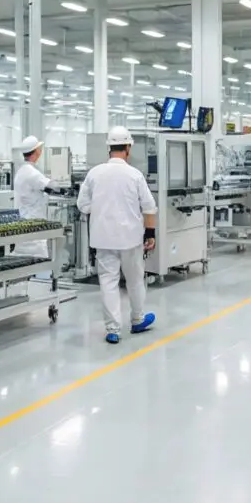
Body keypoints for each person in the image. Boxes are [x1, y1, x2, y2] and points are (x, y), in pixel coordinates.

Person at [77, 126, 158, 345]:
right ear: (128, 148)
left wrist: (103, 210)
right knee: (134, 280)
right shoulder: (135, 175)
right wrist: (150, 233)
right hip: (131, 238)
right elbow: (149, 207)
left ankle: (113, 330)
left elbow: (82, 205)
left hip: (103, 238)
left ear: (108, 148)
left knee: (108, 282)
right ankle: (137, 319)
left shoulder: (94, 173)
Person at [12, 135, 65, 260]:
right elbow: (52, 186)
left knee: (24, 260)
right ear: (37, 152)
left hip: (24, 221)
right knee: (37, 260)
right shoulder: (31, 172)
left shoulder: (22, 171)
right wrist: (64, 179)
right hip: (33, 224)